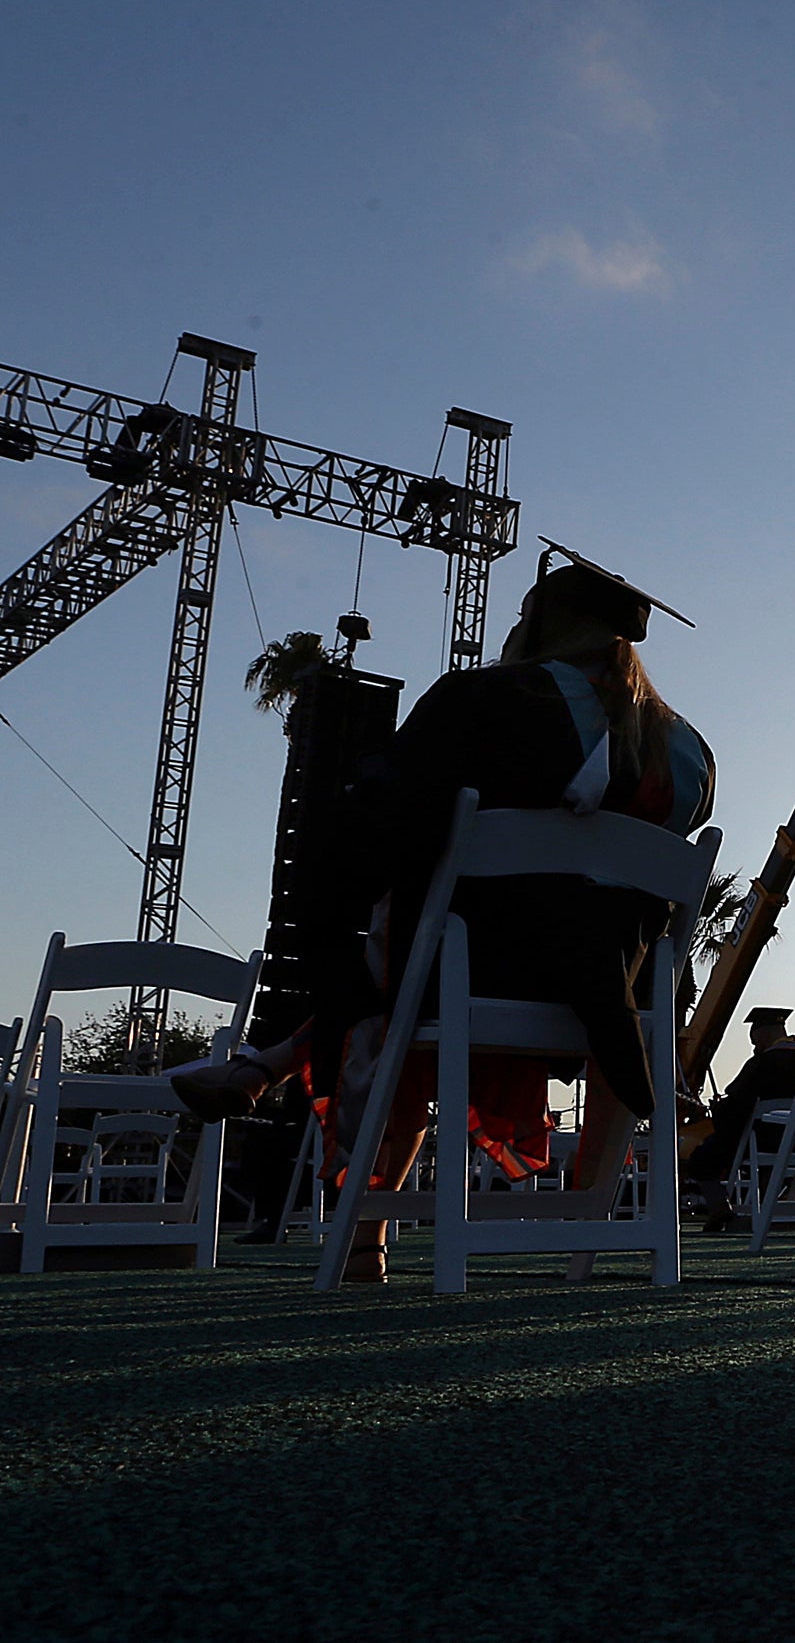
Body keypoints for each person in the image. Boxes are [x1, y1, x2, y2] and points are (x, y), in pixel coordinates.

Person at [207, 547, 716, 1282]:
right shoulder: (691, 752)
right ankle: (583, 1235)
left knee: (400, 973)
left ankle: (356, 1225)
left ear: (546, 624)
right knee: (447, 953)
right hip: (620, 1002)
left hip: (474, 974)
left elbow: (377, 825)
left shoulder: (484, 701)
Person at [686, 1007, 795, 1230]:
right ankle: (770, 1208)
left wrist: (718, 1109)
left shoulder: (761, 1063)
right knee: (770, 1166)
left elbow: (737, 1106)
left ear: (762, 1035)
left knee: (700, 1160)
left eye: (755, 1041)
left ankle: (720, 1210)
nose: (755, 1047)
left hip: (758, 1140)